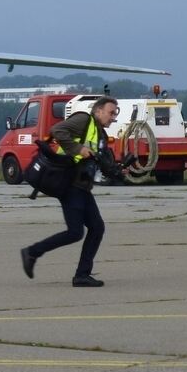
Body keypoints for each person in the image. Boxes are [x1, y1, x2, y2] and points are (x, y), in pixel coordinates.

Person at [20, 96, 120, 287]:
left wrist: (118, 170)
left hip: (82, 187)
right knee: (75, 232)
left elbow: (101, 162)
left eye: (115, 113)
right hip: (68, 184)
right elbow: (57, 130)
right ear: (98, 111)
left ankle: (82, 275)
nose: (113, 117)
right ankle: (32, 252)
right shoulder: (83, 120)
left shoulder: (100, 135)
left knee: (97, 228)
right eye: (111, 112)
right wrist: (78, 149)